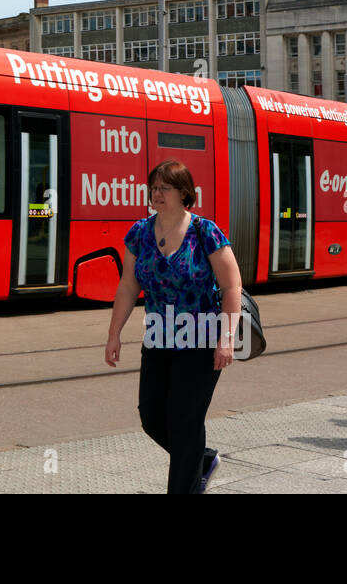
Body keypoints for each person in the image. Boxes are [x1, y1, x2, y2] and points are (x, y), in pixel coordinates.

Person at [104, 159, 242, 494]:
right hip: (158, 338)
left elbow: (231, 285)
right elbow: (127, 285)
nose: (156, 194)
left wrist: (226, 339)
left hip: (201, 340)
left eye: (164, 188)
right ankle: (202, 459)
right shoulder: (139, 233)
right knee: (151, 418)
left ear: (184, 193)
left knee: (184, 422)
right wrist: (114, 334)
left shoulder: (204, 231)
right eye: (153, 188)